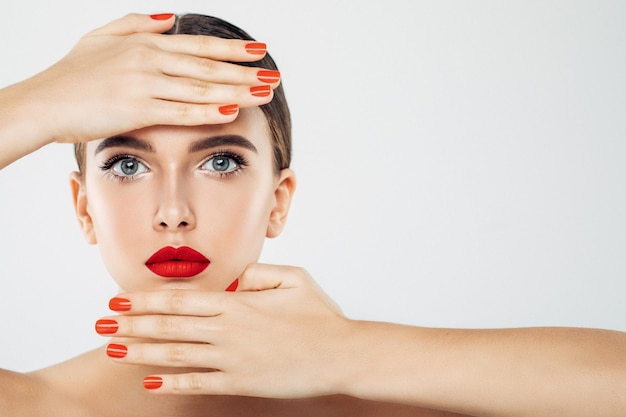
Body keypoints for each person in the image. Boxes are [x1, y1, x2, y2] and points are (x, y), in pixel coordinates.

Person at [0, 12, 624, 417]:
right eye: (128, 165)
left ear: (279, 200)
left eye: (219, 162)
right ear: (83, 207)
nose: (173, 213)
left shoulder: (392, 395)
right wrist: (34, 105)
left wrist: (350, 353)